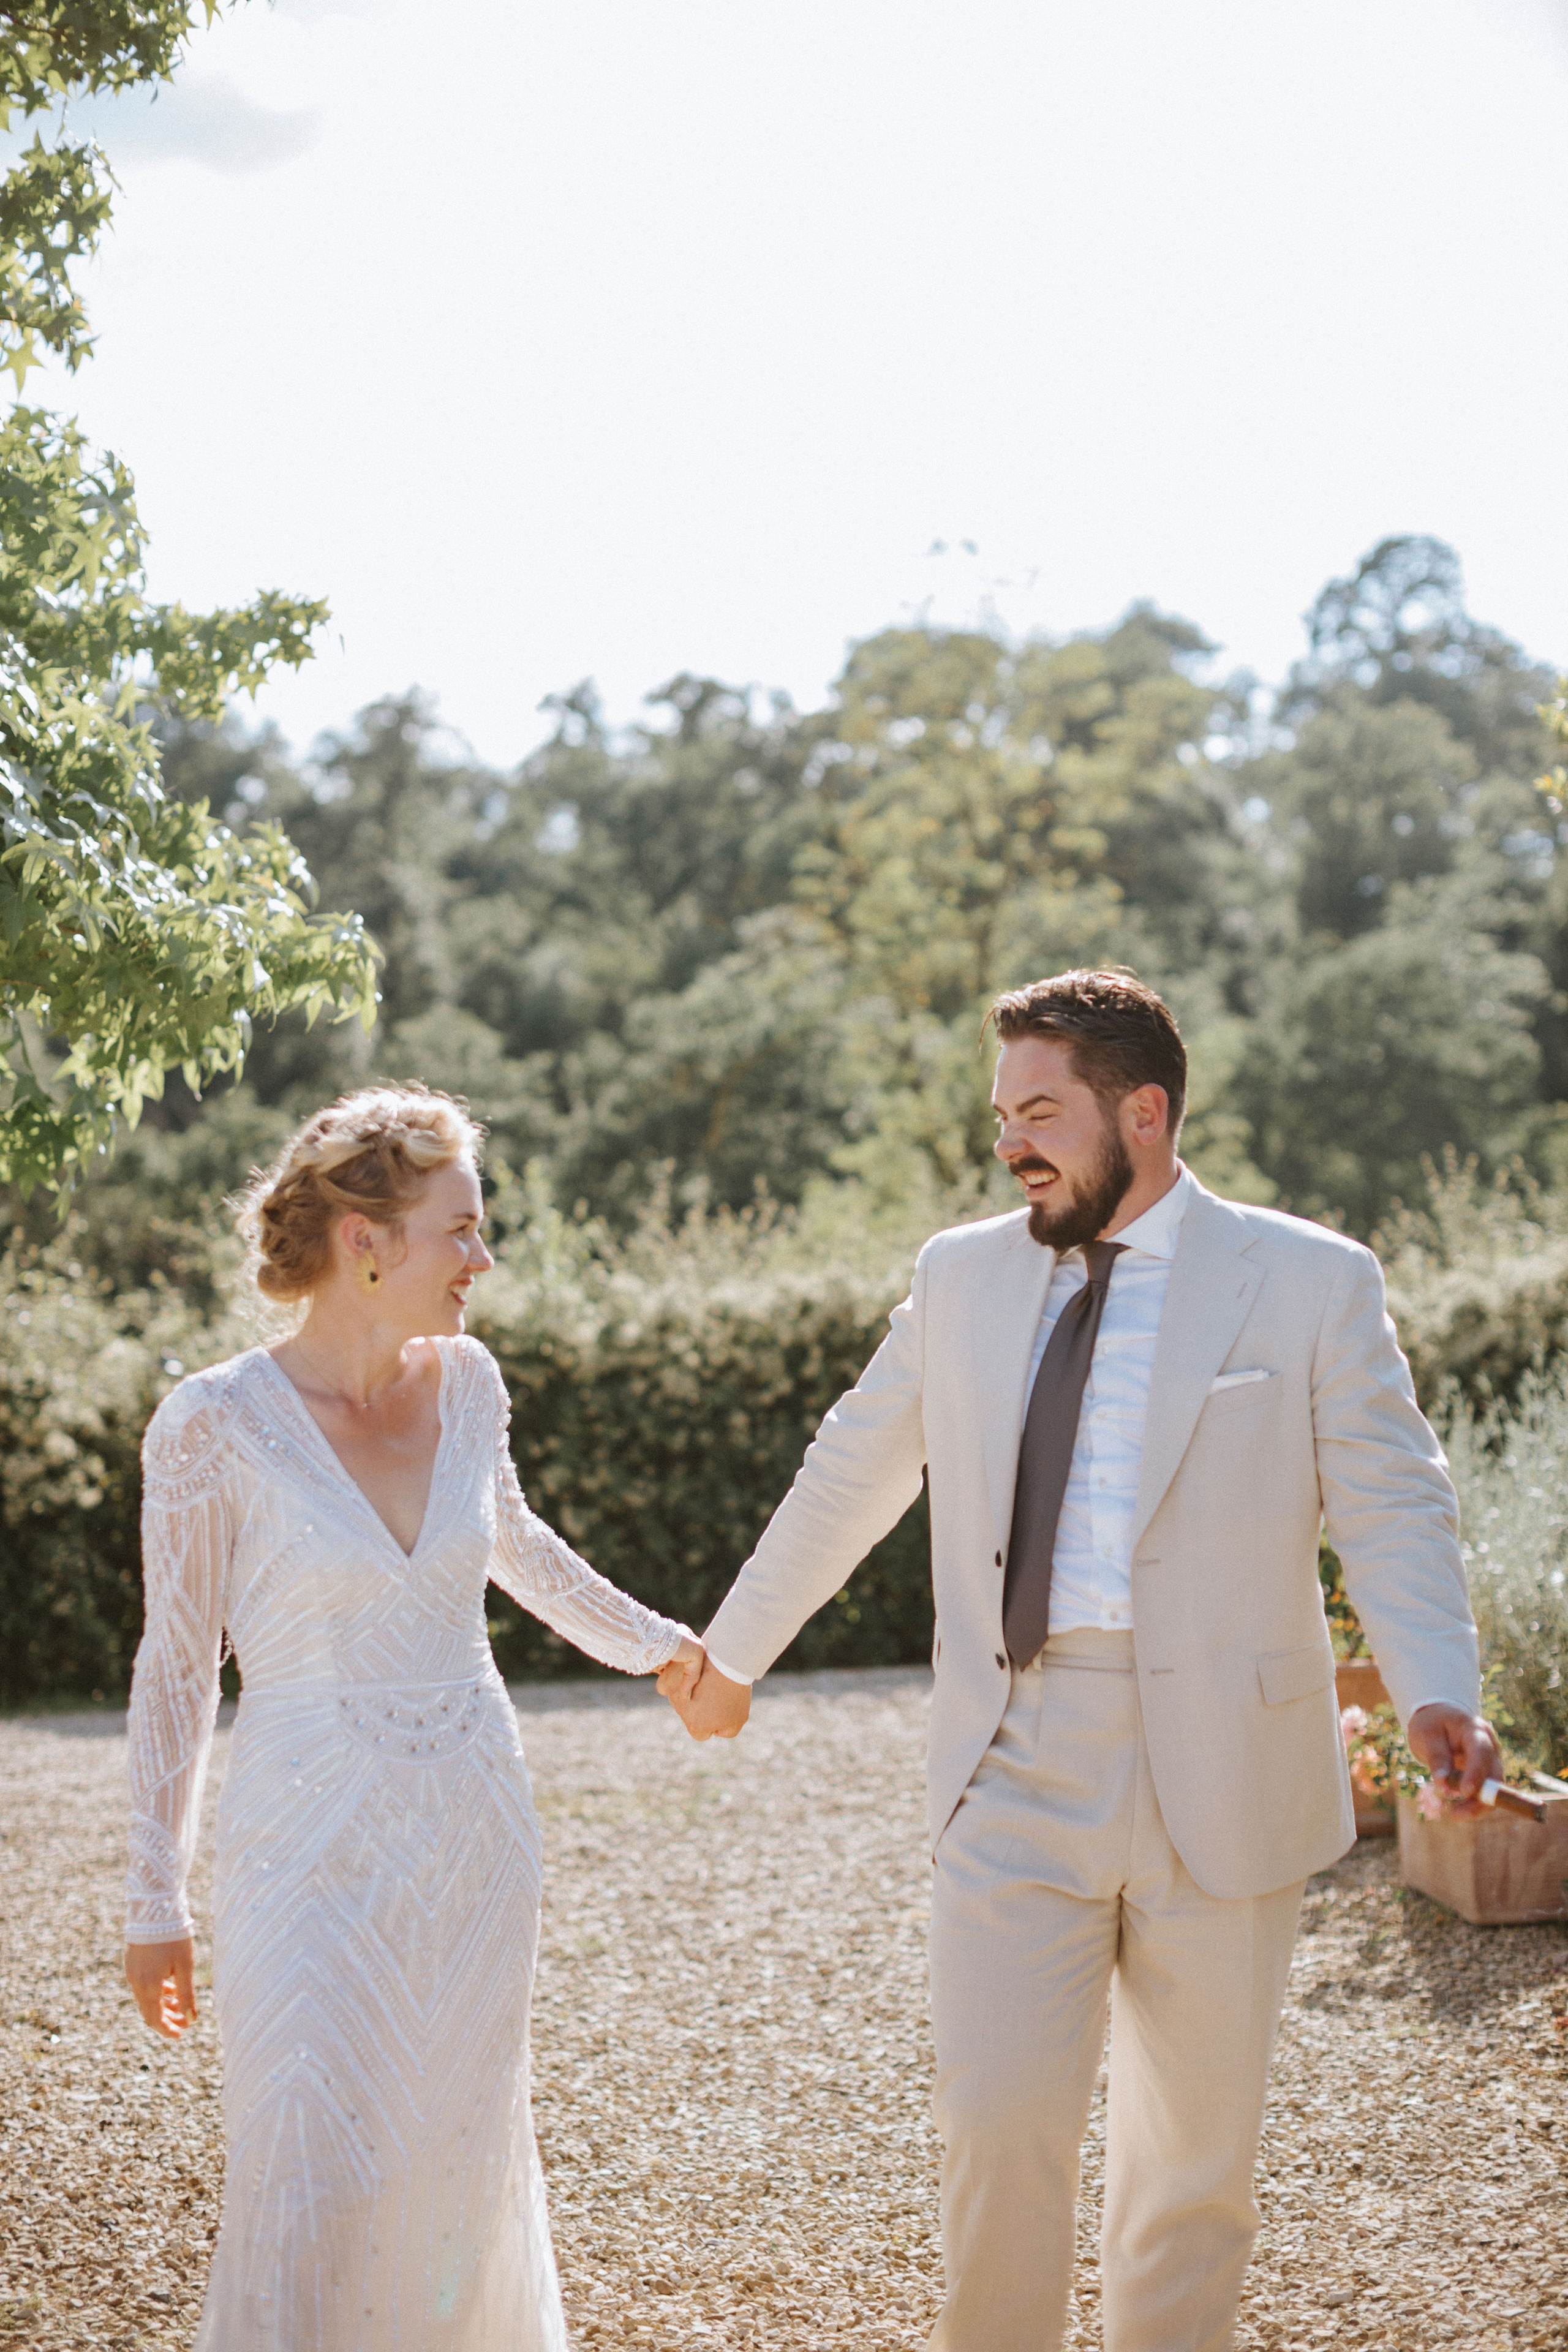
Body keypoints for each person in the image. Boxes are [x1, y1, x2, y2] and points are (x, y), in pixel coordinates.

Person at [662, 968, 1498, 2352]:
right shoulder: (959, 1275)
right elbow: (850, 1471)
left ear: (1144, 1111)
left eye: (1039, 1111)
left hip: (1224, 1772)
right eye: (1002, 1115)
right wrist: (735, 1652)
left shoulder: (1307, 1281)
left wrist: (1433, 1692)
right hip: (1013, 1756)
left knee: (1190, 2176)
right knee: (994, 2135)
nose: (1010, 1143)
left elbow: (1392, 1502)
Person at [123, 1085, 704, 2352]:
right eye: (463, 1229)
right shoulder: (212, 1425)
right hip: (302, 1848)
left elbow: (522, 1550)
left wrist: (663, 1651)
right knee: (305, 2153)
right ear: (365, 1242)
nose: (482, 1261)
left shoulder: (470, 1383)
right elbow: (177, 1669)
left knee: (455, 2149)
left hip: (473, 1831)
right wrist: (153, 1899)